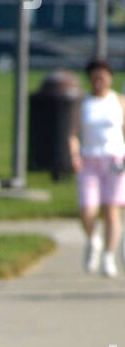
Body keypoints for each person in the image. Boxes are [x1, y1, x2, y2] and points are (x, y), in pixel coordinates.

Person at [69, 58, 125, 277]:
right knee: (87, 209)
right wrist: (74, 154)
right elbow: (73, 133)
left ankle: (108, 257)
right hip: (89, 159)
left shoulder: (118, 101)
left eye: (102, 77)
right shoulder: (83, 103)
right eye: (95, 78)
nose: (99, 82)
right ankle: (94, 239)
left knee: (111, 209)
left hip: (114, 160)